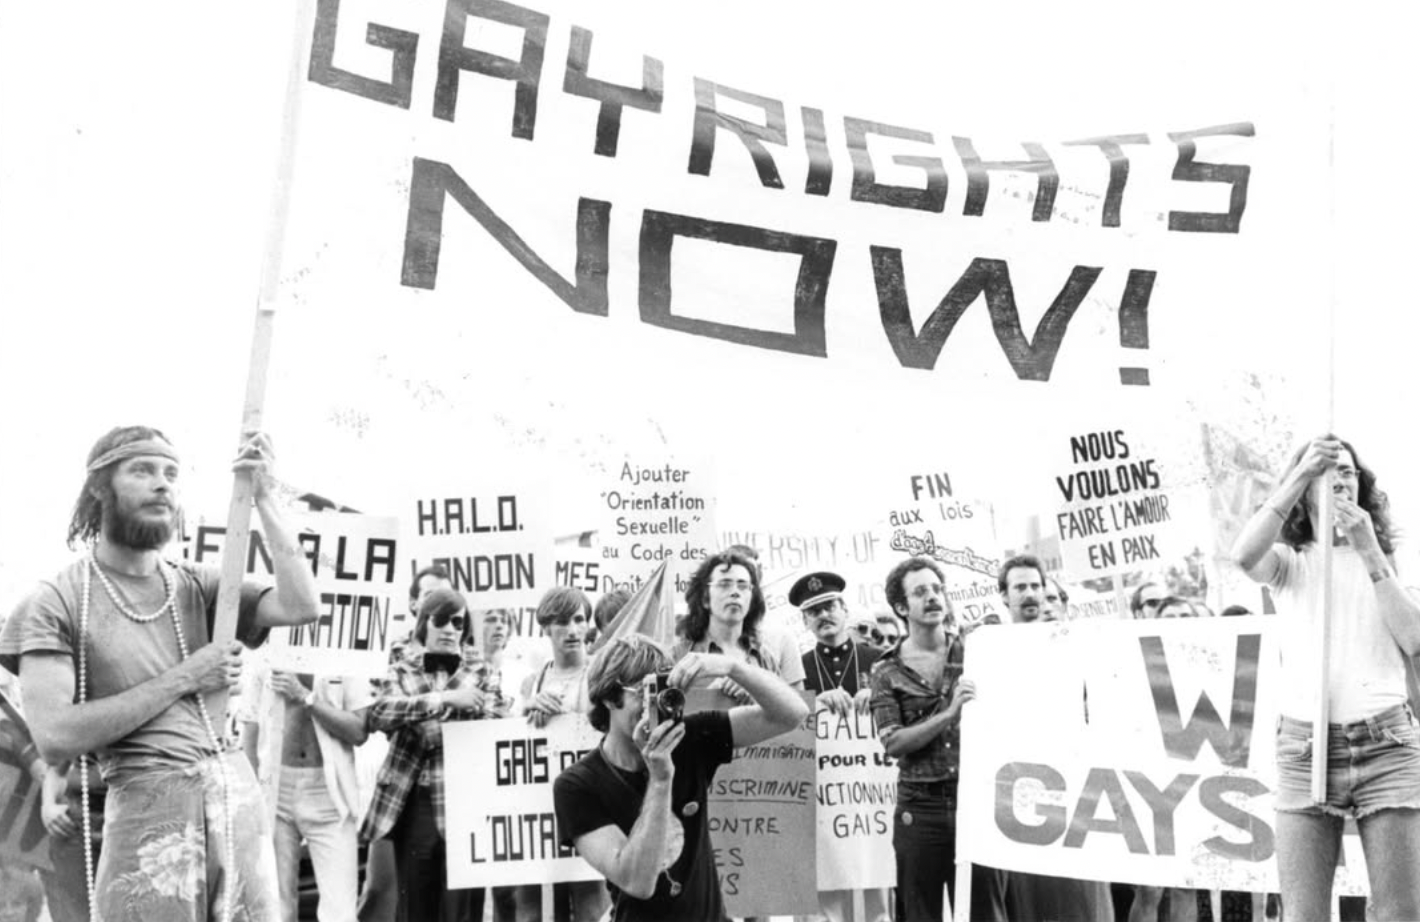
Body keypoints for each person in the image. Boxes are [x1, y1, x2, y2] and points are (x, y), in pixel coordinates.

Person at [0, 425, 318, 921]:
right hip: (149, 809)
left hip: (236, 798)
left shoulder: (197, 582)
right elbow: (56, 737)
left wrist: (265, 497)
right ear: (99, 488)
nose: (162, 484)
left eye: (171, 473)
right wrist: (188, 675)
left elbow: (301, 604)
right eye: (142, 470)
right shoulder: (56, 601)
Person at [1233, 434, 1420, 920]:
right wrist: (1298, 471)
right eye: (1327, 470)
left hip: (1386, 744)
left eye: (1349, 471)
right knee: (1304, 914)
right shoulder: (1290, 562)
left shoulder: (1390, 555)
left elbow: (1414, 639)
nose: (1340, 479)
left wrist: (1371, 553)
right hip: (1305, 747)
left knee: (1399, 912)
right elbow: (1243, 556)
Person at [553, 633, 808, 921]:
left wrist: (733, 668)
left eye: (663, 691)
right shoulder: (578, 784)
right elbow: (637, 881)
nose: (656, 704)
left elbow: (793, 714)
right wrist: (660, 780)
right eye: (644, 691)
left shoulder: (688, 738)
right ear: (611, 698)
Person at [360, 586, 511, 922]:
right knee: (415, 908)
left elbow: (492, 724)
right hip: (413, 801)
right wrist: (444, 701)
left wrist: (420, 720)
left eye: (457, 623)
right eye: (441, 620)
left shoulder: (483, 670)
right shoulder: (401, 667)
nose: (449, 630)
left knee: (463, 912)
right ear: (423, 622)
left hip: (467, 802)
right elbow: (379, 713)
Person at [871, 556, 999, 922]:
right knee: (919, 912)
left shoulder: (977, 651)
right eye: (921, 592)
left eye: (937, 589)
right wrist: (948, 714)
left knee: (985, 910)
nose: (933, 598)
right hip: (920, 808)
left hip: (975, 800)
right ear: (901, 606)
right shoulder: (885, 669)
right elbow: (893, 743)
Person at [997, 555, 1114, 922]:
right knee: (1030, 898)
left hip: (1076, 790)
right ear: (1004, 596)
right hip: (1020, 791)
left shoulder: (1077, 647)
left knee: (1082, 899)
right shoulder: (991, 651)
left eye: (1036, 586)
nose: (1030, 594)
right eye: (1020, 587)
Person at [241, 658, 372, 922]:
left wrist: (306, 697)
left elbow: (359, 731)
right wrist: (251, 796)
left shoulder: (340, 649)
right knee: (276, 908)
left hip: (329, 791)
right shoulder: (267, 652)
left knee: (340, 912)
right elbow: (250, 727)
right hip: (276, 787)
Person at [357, 564, 453, 922]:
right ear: (414, 605)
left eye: (446, 597)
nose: (439, 605)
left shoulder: (464, 653)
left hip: (450, 791)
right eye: (430, 596)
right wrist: (442, 704)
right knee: (385, 890)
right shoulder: (392, 652)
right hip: (400, 788)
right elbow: (379, 713)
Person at [792, 570, 889, 922]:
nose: (823, 616)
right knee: (825, 894)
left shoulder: (879, 659)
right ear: (805, 621)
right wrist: (815, 701)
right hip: (822, 801)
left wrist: (877, 696)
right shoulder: (798, 668)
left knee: (874, 888)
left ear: (845, 609)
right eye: (813, 611)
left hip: (870, 797)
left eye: (829, 606)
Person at [514, 586, 609, 922]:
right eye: (562, 622)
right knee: (531, 905)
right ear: (545, 628)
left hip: (589, 803)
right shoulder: (531, 682)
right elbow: (508, 739)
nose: (572, 630)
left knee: (590, 902)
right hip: (538, 809)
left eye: (579, 620)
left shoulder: (601, 674)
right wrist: (527, 710)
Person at [674, 550, 806, 695]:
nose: (735, 592)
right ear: (705, 598)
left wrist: (757, 694)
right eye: (725, 585)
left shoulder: (764, 656)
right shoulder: (679, 654)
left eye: (743, 586)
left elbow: (793, 713)